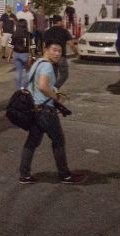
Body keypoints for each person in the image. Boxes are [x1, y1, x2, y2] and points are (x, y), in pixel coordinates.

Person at [18, 40, 83, 184]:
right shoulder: (47, 66)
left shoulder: (37, 63)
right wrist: (55, 96)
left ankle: (24, 174)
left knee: (32, 142)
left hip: (34, 109)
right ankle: (65, 175)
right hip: (46, 110)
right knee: (58, 141)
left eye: (60, 51)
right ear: (46, 49)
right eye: (54, 50)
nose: (57, 53)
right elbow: (42, 86)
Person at [43, 14, 75, 88]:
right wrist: (76, 52)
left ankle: (52, 91)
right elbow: (71, 44)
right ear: (59, 22)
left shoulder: (47, 32)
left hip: (49, 56)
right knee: (64, 74)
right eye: (62, 21)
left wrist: (45, 56)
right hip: (61, 56)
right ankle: (55, 88)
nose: (63, 22)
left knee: (53, 75)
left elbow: (44, 45)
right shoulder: (64, 31)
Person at [11, 18, 32, 89]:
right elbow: (32, 46)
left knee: (18, 71)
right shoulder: (28, 34)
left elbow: (10, 45)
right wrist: (31, 56)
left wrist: (9, 56)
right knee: (29, 72)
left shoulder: (14, 34)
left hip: (15, 54)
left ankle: (18, 90)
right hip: (25, 55)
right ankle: (23, 87)